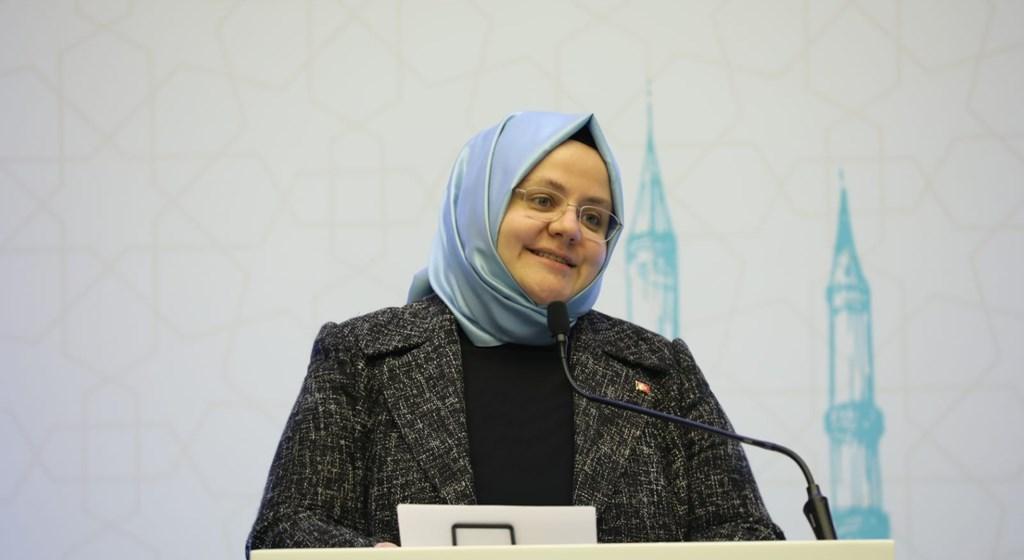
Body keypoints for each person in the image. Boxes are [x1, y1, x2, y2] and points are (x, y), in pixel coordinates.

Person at [246, 111, 783, 554]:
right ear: (479, 205)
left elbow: (747, 536)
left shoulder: (658, 370)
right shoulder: (363, 356)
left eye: (594, 218)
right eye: (543, 200)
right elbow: (285, 532)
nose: (570, 228)